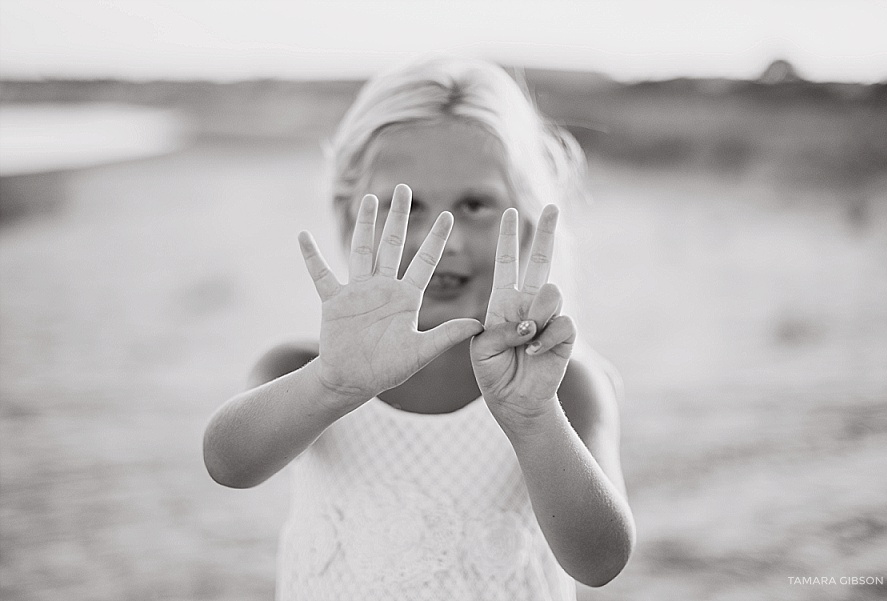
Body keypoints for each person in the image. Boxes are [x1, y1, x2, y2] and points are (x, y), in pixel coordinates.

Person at [203, 56, 635, 600]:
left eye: (475, 204)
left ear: (525, 221)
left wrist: (533, 420)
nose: (442, 240)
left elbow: (600, 561)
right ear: (346, 213)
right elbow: (227, 464)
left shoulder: (559, 387)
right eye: (404, 206)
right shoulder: (302, 372)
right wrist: (334, 386)